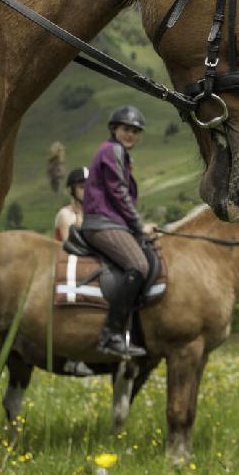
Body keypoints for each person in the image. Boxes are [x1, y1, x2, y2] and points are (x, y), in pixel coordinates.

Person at [81, 105, 152, 358]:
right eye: (126, 129)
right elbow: (119, 193)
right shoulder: (113, 150)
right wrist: (137, 226)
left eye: (135, 131)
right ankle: (110, 335)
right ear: (114, 128)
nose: (130, 134)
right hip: (103, 223)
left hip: (111, 222)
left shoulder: (115, 151)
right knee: (139, 266)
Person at [54, 167, 88, 243]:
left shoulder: (95, 213)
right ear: (72, 190)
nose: (87, 190)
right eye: (82, 187)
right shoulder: (66, 215)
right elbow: (71, 248)